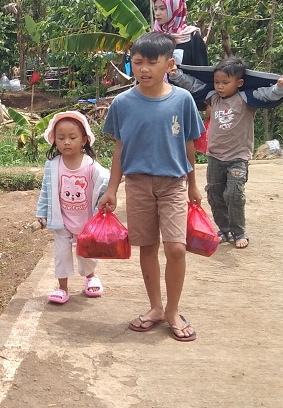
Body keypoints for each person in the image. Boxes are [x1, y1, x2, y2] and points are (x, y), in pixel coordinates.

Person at [98, 32, 204, 342]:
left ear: (169, 65)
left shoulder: (182, 100)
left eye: (151, 63)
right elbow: (120, 149)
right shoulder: (122, 103)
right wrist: (111, 189)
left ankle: (173, 310)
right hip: (138, 184)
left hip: (174, 184)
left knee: (176, 247)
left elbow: (189, 146)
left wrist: (194, 184)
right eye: (137, 62)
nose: (144, 69)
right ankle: (156, 308)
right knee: (147, 246)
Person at [169, 56, 283, 249]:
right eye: (217, 82)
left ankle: (239, 231)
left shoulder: (246, 98)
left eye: (225, 82)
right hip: (215, 157)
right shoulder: (212, 97)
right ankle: (224, 229)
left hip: (238, 158)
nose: (220, 86)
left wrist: (279, 88)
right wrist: (176, 75)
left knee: (234, 194)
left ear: (239, 82)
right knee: (215, 195)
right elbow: (193, 85)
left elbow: (268, 94)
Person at [35, 111, 109, 304]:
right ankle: (62, 288)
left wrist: (106, 203)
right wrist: (42, 215)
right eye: (61, 138)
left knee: (87, 254)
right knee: (61, 255)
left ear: (84, 140)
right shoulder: (52, 166)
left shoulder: (92, 166)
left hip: (86, 222)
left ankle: (90, 276)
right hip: (62, 222)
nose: (66, 142)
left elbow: (105, 184)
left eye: (72, 137)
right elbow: (46, 192)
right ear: (54, 140)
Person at [152, 0, 208, 69]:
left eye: (162, 8)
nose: (157, 13)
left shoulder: (191, 36)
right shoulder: (154, 37)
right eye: (155, 9)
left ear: (175, 9)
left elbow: (202, 70)